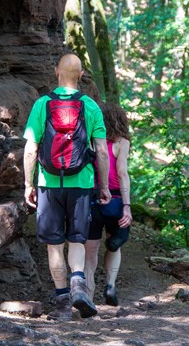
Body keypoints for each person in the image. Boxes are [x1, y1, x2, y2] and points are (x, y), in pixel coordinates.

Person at [23, 54, 111, 321]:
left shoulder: (42, 104)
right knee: (77, 241)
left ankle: (62, 305)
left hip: (49, 183)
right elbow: (102, 153)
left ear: (56, 72)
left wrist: (28, 183)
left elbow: (31, 148)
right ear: (82, 74)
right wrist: (104, 186)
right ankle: (78, 286)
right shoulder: (91, 107)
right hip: (82, 182)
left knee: (54, 245)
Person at [84, 102, 133, 306]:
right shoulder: (122, 142)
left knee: (90, 251)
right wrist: (127, 206)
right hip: (114, 199)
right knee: (114, 244)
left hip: (92, 199)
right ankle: (111, 285)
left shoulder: (91, 142)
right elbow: (122, 173)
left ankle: (87, 294)